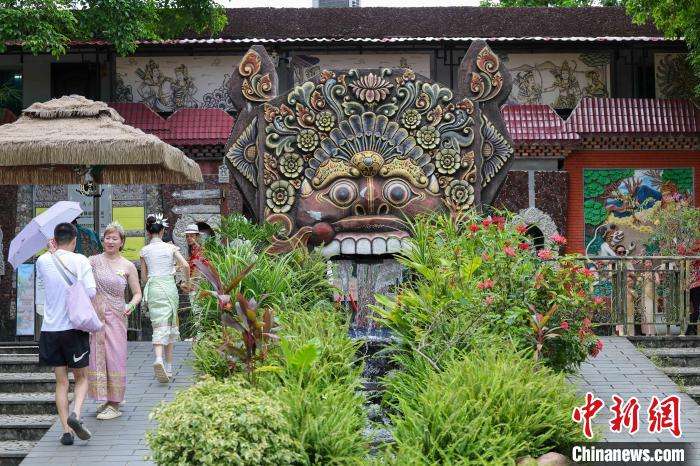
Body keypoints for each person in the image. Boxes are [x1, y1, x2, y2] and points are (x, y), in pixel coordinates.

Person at [36, 222, 95, 445]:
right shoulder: (81, 260)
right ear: (74, 239)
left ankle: (66, 431)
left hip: (50, 330)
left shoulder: (43, 260)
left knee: (61, 382)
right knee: (81, 378)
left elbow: (45, 284)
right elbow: (91, 292)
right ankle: (76, 414)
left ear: (54, 239)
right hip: (74, 329)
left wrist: (51, 253)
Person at [88, 222, 141, 420]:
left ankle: (115, 403)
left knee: (115, 357)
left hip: (118, 316)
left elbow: (137, 294)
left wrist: (130, 306)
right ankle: (105, 398)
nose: (110, 241)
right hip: (97, 317)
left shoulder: (128, 265)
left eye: (114, 238)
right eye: (107, 238)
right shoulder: (93, 261)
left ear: (122, 242)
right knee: (98, 356)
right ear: (103, 241)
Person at [139, 214, 189, 383]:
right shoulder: (171, 248)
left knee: (158, 325)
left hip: (154, 288)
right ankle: (168, 367)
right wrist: (186, 281)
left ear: (148, 232)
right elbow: (186, 265)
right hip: (169, 288)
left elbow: (144, 278)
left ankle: (158, 358)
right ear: (162, 231)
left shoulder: (144, 251)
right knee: (170, 324)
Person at [182, 224, 206, 339]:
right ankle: (199, 335)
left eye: (192, 236)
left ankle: (200, 336)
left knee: (197, 310)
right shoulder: (193, 250)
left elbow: (197, 269)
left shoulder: (199, 251)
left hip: (197, 285)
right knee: (196, 310)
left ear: (197, 237)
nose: (189, 238)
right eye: (187, 236)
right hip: (194, 284)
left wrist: (189, 284)